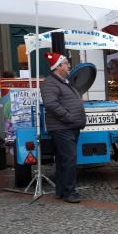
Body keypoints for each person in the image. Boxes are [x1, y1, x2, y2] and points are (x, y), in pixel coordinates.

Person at [41, 52, 86, 203]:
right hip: (62, 127)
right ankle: (69, 193)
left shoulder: (63, 82)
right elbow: (51, 104)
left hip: (69, 126)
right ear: (58, 66)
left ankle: (60, 191)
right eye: (66, 63)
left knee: (63, 160)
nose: (69, 66)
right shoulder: (50, 83)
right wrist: (69, 117)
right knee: (69, 159)